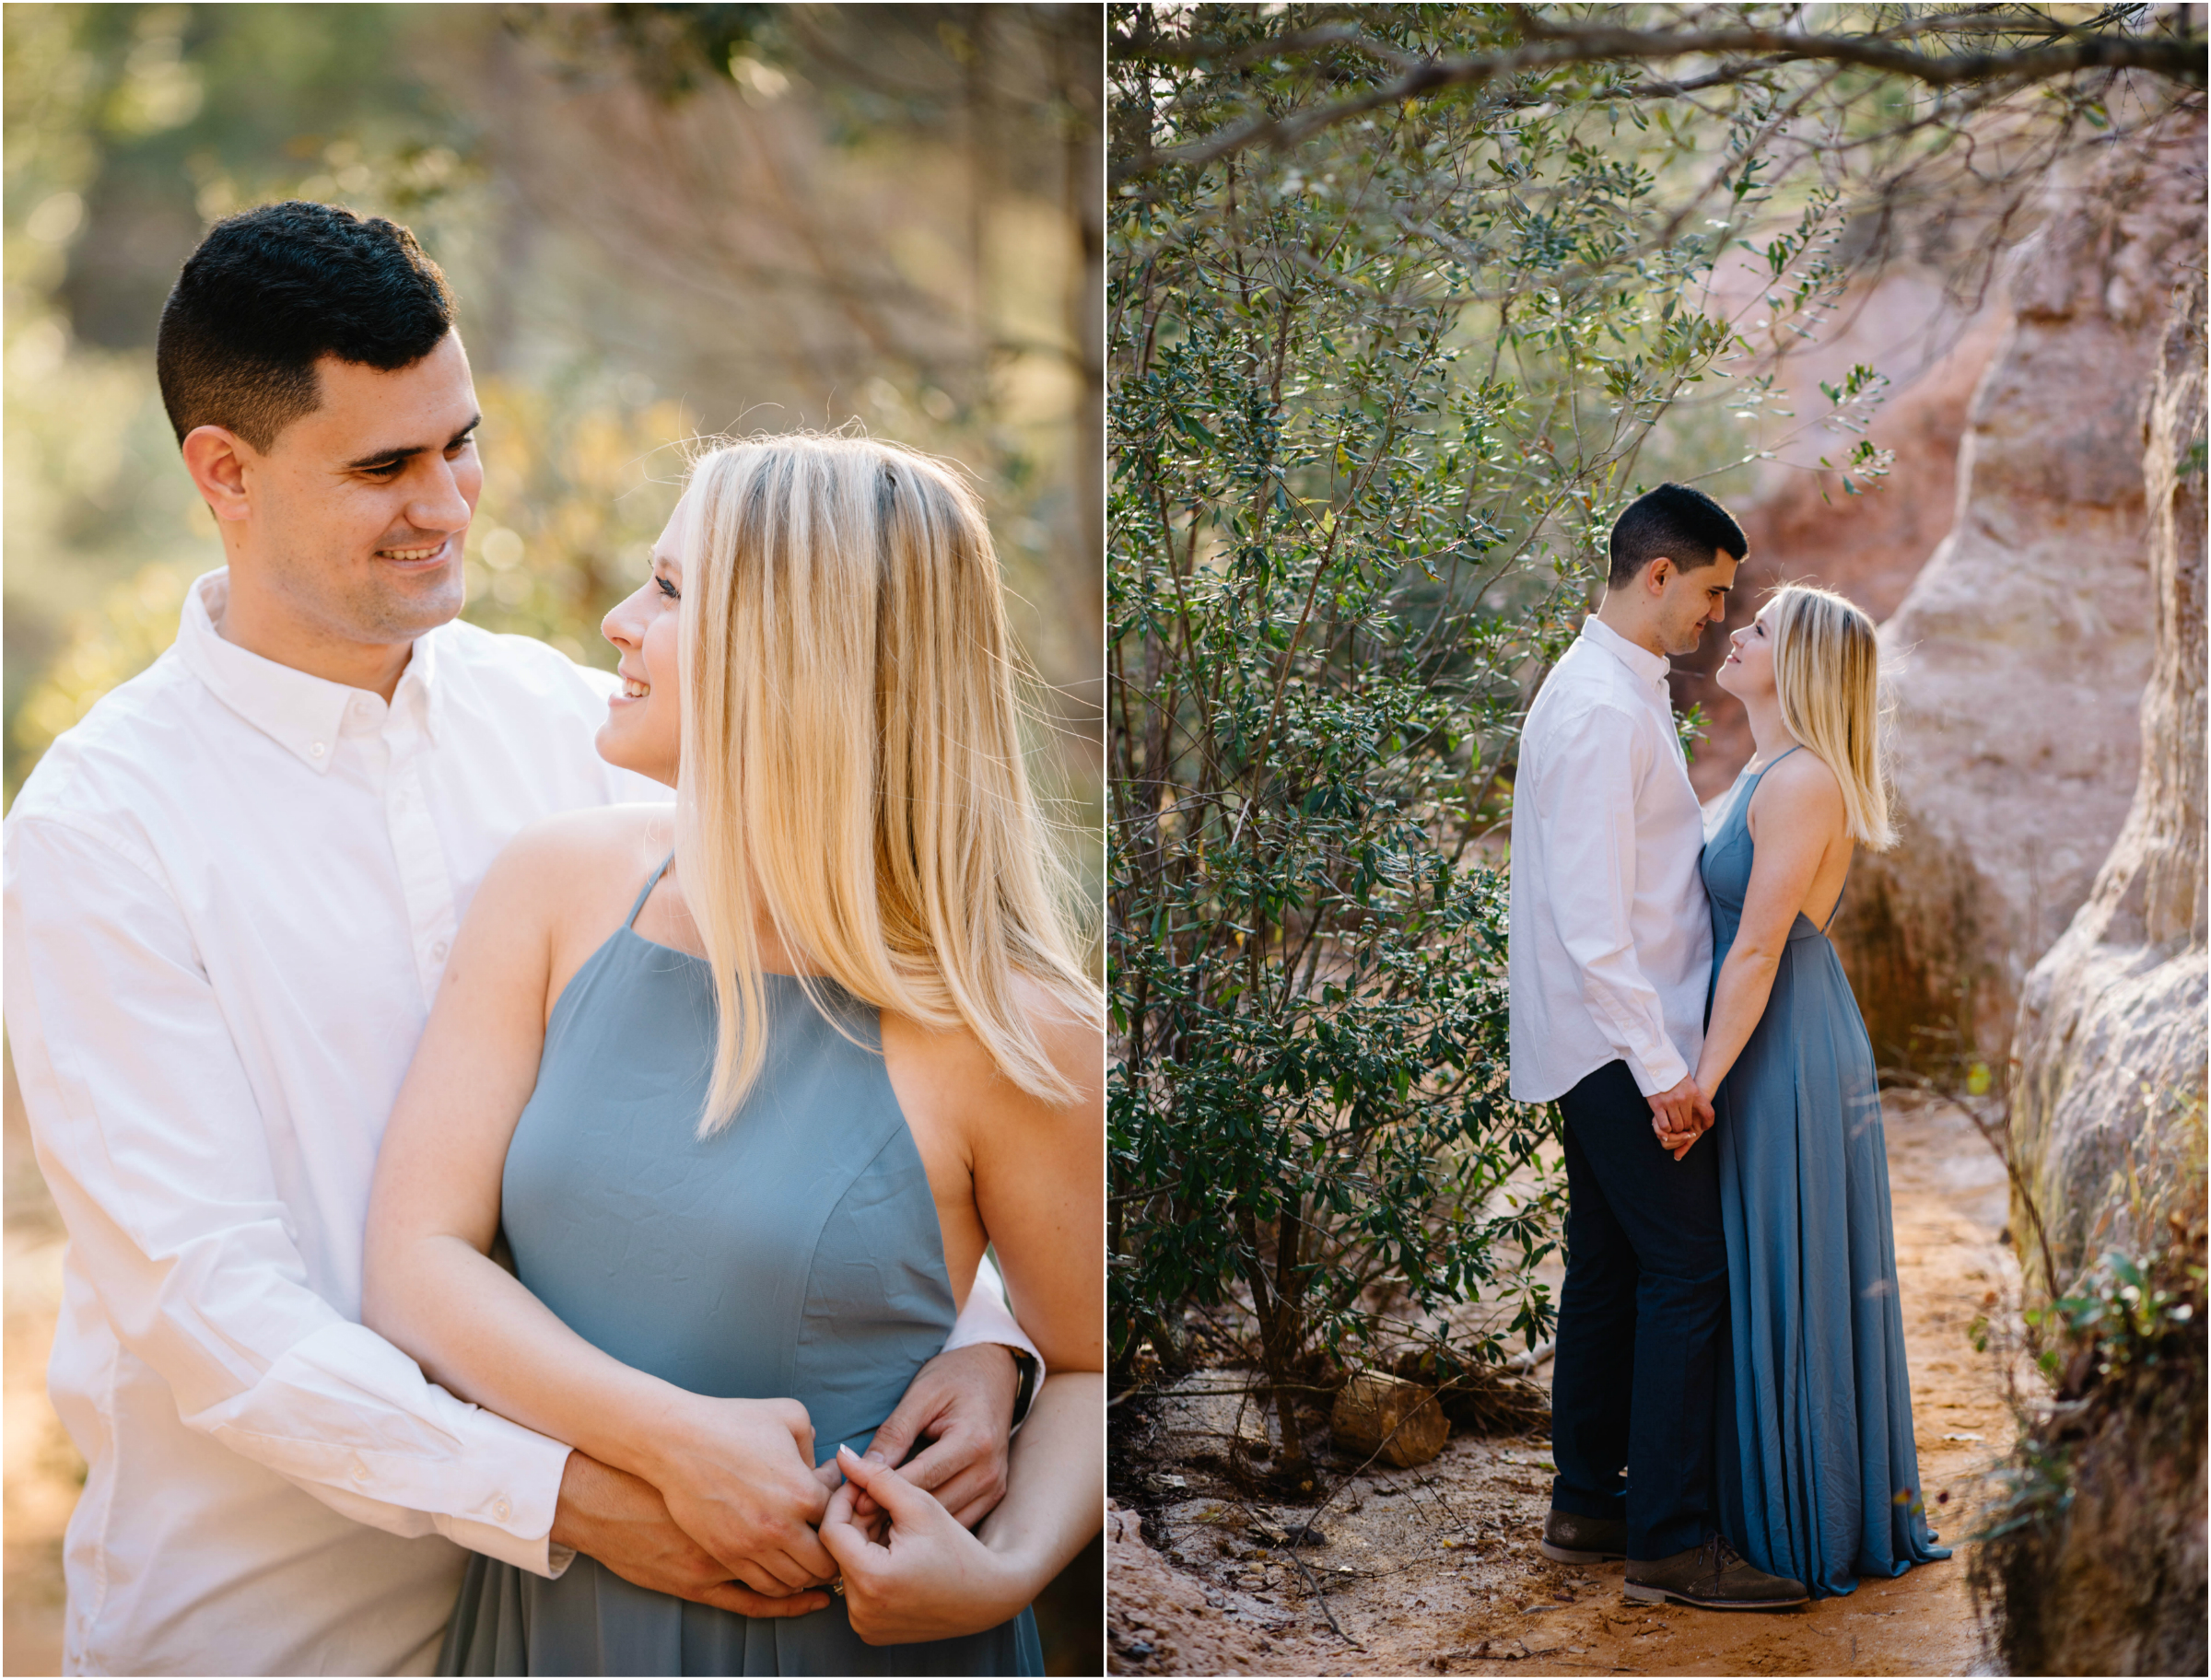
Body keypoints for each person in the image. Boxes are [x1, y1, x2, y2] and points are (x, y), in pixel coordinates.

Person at [1, 201, 1037, 1677]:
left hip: (617, 1621)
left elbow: (878, 1060)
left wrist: (984, 1336)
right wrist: (584, 1502)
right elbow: (208, 1305)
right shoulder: (102, 828)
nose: (449, 501)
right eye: (384, 467)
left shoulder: (577, 731)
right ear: (223, 473)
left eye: (460, 441)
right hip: (284, 1618)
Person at [360, 431, 1106, 1675]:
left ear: (790, 651)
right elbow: (415, 1261)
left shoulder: (1017, 1028)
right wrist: (671, 1445)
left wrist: (1002, 1570)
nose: (615, 620)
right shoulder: (554, 888)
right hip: (559, 1626)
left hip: (848, 1637)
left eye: (666, 589)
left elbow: (1089, 1358)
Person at [1507, 483, 1807, 1610]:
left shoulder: (1617, 693)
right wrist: (1666, 1071)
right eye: (1715, 592)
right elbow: (1592, 924)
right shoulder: (1598, 709)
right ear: (1660, 575)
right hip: (1615, 1044)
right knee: (1689, 1270)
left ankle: (1590, 1501)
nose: (1720, 620)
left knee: (1614, 1267)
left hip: (1606, 1039)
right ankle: (1673, 1543)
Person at [1661, 583, 1950, 1597]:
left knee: (1783, 1263)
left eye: (1763, 628)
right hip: (1764, 1032)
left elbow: (1753, 951)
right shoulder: (1765, 768)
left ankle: (1800, 1519)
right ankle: (1758, 1496)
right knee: (1754, 1263)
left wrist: (1696, 1085)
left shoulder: (1803, 783)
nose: (1738, 631)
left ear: (1804, 665)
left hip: (1780, 1037)